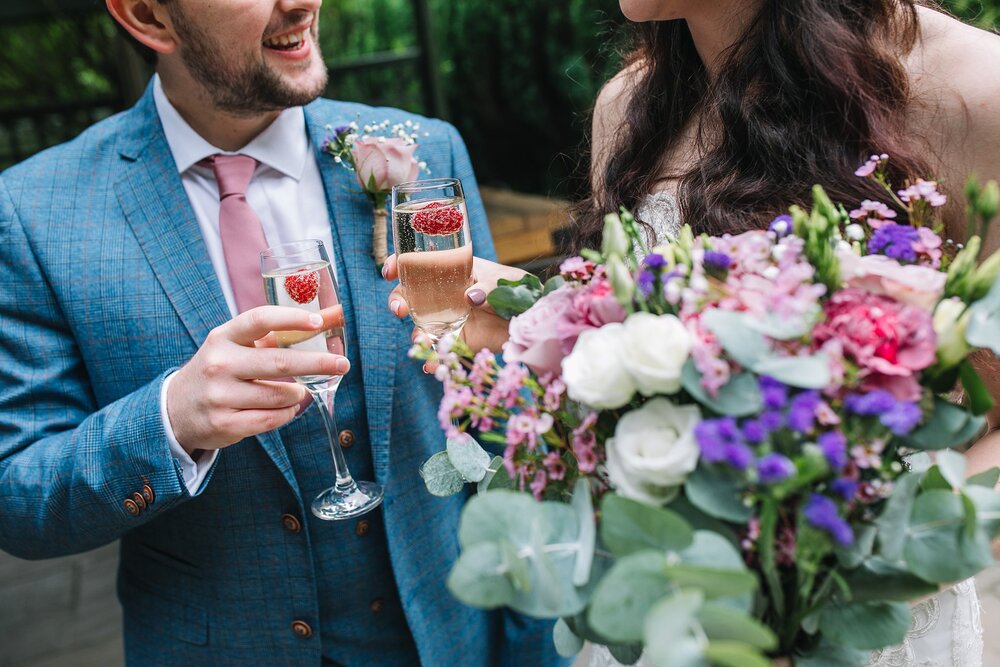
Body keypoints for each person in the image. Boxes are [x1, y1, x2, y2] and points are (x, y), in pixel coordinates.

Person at [386, 1, 1000, 666]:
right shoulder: (625, 108)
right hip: (664, 620)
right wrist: (542, 322)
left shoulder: (974, 87)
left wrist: (803, 594)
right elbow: (649, 380)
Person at [0, 0, 566, 665]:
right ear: (149, 17)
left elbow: (504, 420)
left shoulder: (423, 151)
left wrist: (539, 645)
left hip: (452, 637)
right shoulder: (35, 212)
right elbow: (20, 495)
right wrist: (170, 420)